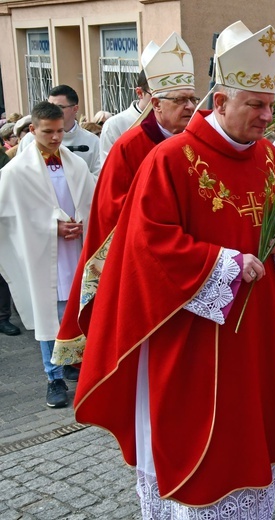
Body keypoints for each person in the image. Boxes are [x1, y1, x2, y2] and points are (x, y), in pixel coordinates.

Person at [73, 21, 275, 518]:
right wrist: (223, 265)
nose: (268, 117)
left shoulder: (266, 156)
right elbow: (146, 245)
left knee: (248, 435)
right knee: (196, 446)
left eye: (270, 105)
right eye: (255, 105)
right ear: (219, 103)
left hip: (252, 334)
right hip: (192, 334)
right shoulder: (171, 160)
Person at [53, 32, 198, 368]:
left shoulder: (196, 139)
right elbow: (113, 208)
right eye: (179, 100)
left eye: (192, 98)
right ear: (155, 103)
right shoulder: (130, 146)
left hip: (190, 256)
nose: (190, 107)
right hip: (145, 258)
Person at [0, 102, 95, 407]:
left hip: (76, 250)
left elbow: (92, 204)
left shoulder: (76, 165)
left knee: (74, 313)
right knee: (48, 316)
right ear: (32, 130)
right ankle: (53, 377)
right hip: (43, 254)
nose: (56, 138)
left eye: (60, 131)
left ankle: (71, 363)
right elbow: (10, 217)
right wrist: (51, 227)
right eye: (48, 132)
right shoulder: (15, 172)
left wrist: (81, 220)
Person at [18, 85, 102, 178]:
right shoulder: (30, 139)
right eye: (49, 106)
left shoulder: (92, 142)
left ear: (75, 109)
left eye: (59, 107)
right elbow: (19, 175)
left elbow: (98, 179)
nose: (52, 111)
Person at [99, 43, 157, 162]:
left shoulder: (177, 123)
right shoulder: (114, 126)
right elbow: (111, 170)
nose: (161, 103)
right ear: (139, 93)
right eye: (156, 96)